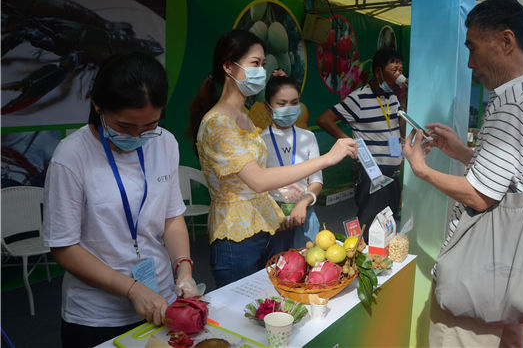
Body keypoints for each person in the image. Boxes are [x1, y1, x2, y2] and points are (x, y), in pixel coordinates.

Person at [401, 0, 523, 347]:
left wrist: (421, 170)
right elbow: (522, 174)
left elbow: (481, 196)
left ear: (506, 41)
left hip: (480, 277)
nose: (470, 62)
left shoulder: (511, 101)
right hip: (517, 271)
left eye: (474, 48)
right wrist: (465, 153)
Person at [42, 53, 199, 348]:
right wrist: (131, 289)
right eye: (125, 127)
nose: (137, 136)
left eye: (149, 125)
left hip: (162, 301)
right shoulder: (71, 157)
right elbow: (64, 247)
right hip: (98, 316)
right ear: (97, 104)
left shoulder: (164, 143)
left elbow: (172, 217)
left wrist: (184, 268)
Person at [188, 29, 357, 288]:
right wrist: (326, 159)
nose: (261, 71)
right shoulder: (218, 122)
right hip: (236, 240)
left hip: (267, 228)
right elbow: (256, 179)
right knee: (244, 318)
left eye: (263, 64)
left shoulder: (245, 114)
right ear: (228, 67)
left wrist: (286, 189)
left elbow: (249, 173)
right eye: (254, 63)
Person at [316, 48, 405, 236]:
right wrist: (350, 142)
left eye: (401, 70)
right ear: (378, 71)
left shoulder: (394, 98)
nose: (399, 75)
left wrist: (404, 101)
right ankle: (363, 259)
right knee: (370, 224)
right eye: (394, 70)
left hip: (393, 171)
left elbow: (399, 130)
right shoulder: (359, 98)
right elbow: (324, 120)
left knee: (389, 224)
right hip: (372, 172)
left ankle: (383, 262)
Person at [261, 73, 323, 250]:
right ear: (267, 106)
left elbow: (317, 181)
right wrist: (274, 213)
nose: (288, 108)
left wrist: (303, 203)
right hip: (274, 217)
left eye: (294, 102)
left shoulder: (308, 137)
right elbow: (256, 184)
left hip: (306, 214)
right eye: (281, 104)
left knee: (309, 264)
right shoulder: (259, 141)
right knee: (276, 269)